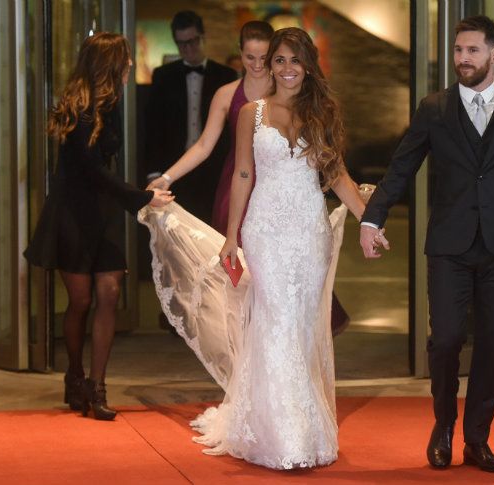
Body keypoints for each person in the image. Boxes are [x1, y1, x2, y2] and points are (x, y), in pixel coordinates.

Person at [139, 27, 367, 470]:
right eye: (278, 60)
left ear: (308, 65)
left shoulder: (322, 112)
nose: (285, 69)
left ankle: (303, 425)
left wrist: (368, 219)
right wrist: (231, 234)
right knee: (275, 322)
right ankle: (283, 436)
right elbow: (243, 174)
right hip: (265, 231)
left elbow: (337, 174)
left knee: (301, 327)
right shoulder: (252, 114)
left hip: (309, 232)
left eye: (293, 60)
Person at [360, 16, 494, 473]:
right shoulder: (434, 108)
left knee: (491, 344)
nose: (462, 59)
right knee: (446, 340)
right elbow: (402, 166)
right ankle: (443, 425)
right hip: (448, 244)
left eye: (472, 50)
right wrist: (373, 217)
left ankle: (478, 440)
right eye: (457, 50)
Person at [148, 20, 351, 337]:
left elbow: (334, 168)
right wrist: (168, 176)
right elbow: (204, 145)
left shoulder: (307, 102)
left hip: (294, 198)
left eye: (262, 57)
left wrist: (370, 216)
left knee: (293, 288)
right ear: (241, 55)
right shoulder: (229, 95)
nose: (257, 65)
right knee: (238, 278)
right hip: (240, 191)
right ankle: (243, 343)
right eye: (249, 58)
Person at [23, 33, 174, 421]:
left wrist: (135, 193)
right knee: (82, 301)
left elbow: (102, 172)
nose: (128, 67)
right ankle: (74, 374)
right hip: (71, 213)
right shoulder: (78, 108)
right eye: (123, 62)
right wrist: (140, 197)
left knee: (109, 291)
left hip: (101, 211)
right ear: (108, 65)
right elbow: (90, 169)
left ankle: (98, 385)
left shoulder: (112, 103)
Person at [145, 10, 237, 223]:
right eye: (181, 43)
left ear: (203, 37)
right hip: (174, 168)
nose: (188, 48)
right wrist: (153, 173)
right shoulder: (163, 75)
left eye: (193, 41)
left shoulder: (226, 75)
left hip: (214, 170)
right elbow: (153, 128)